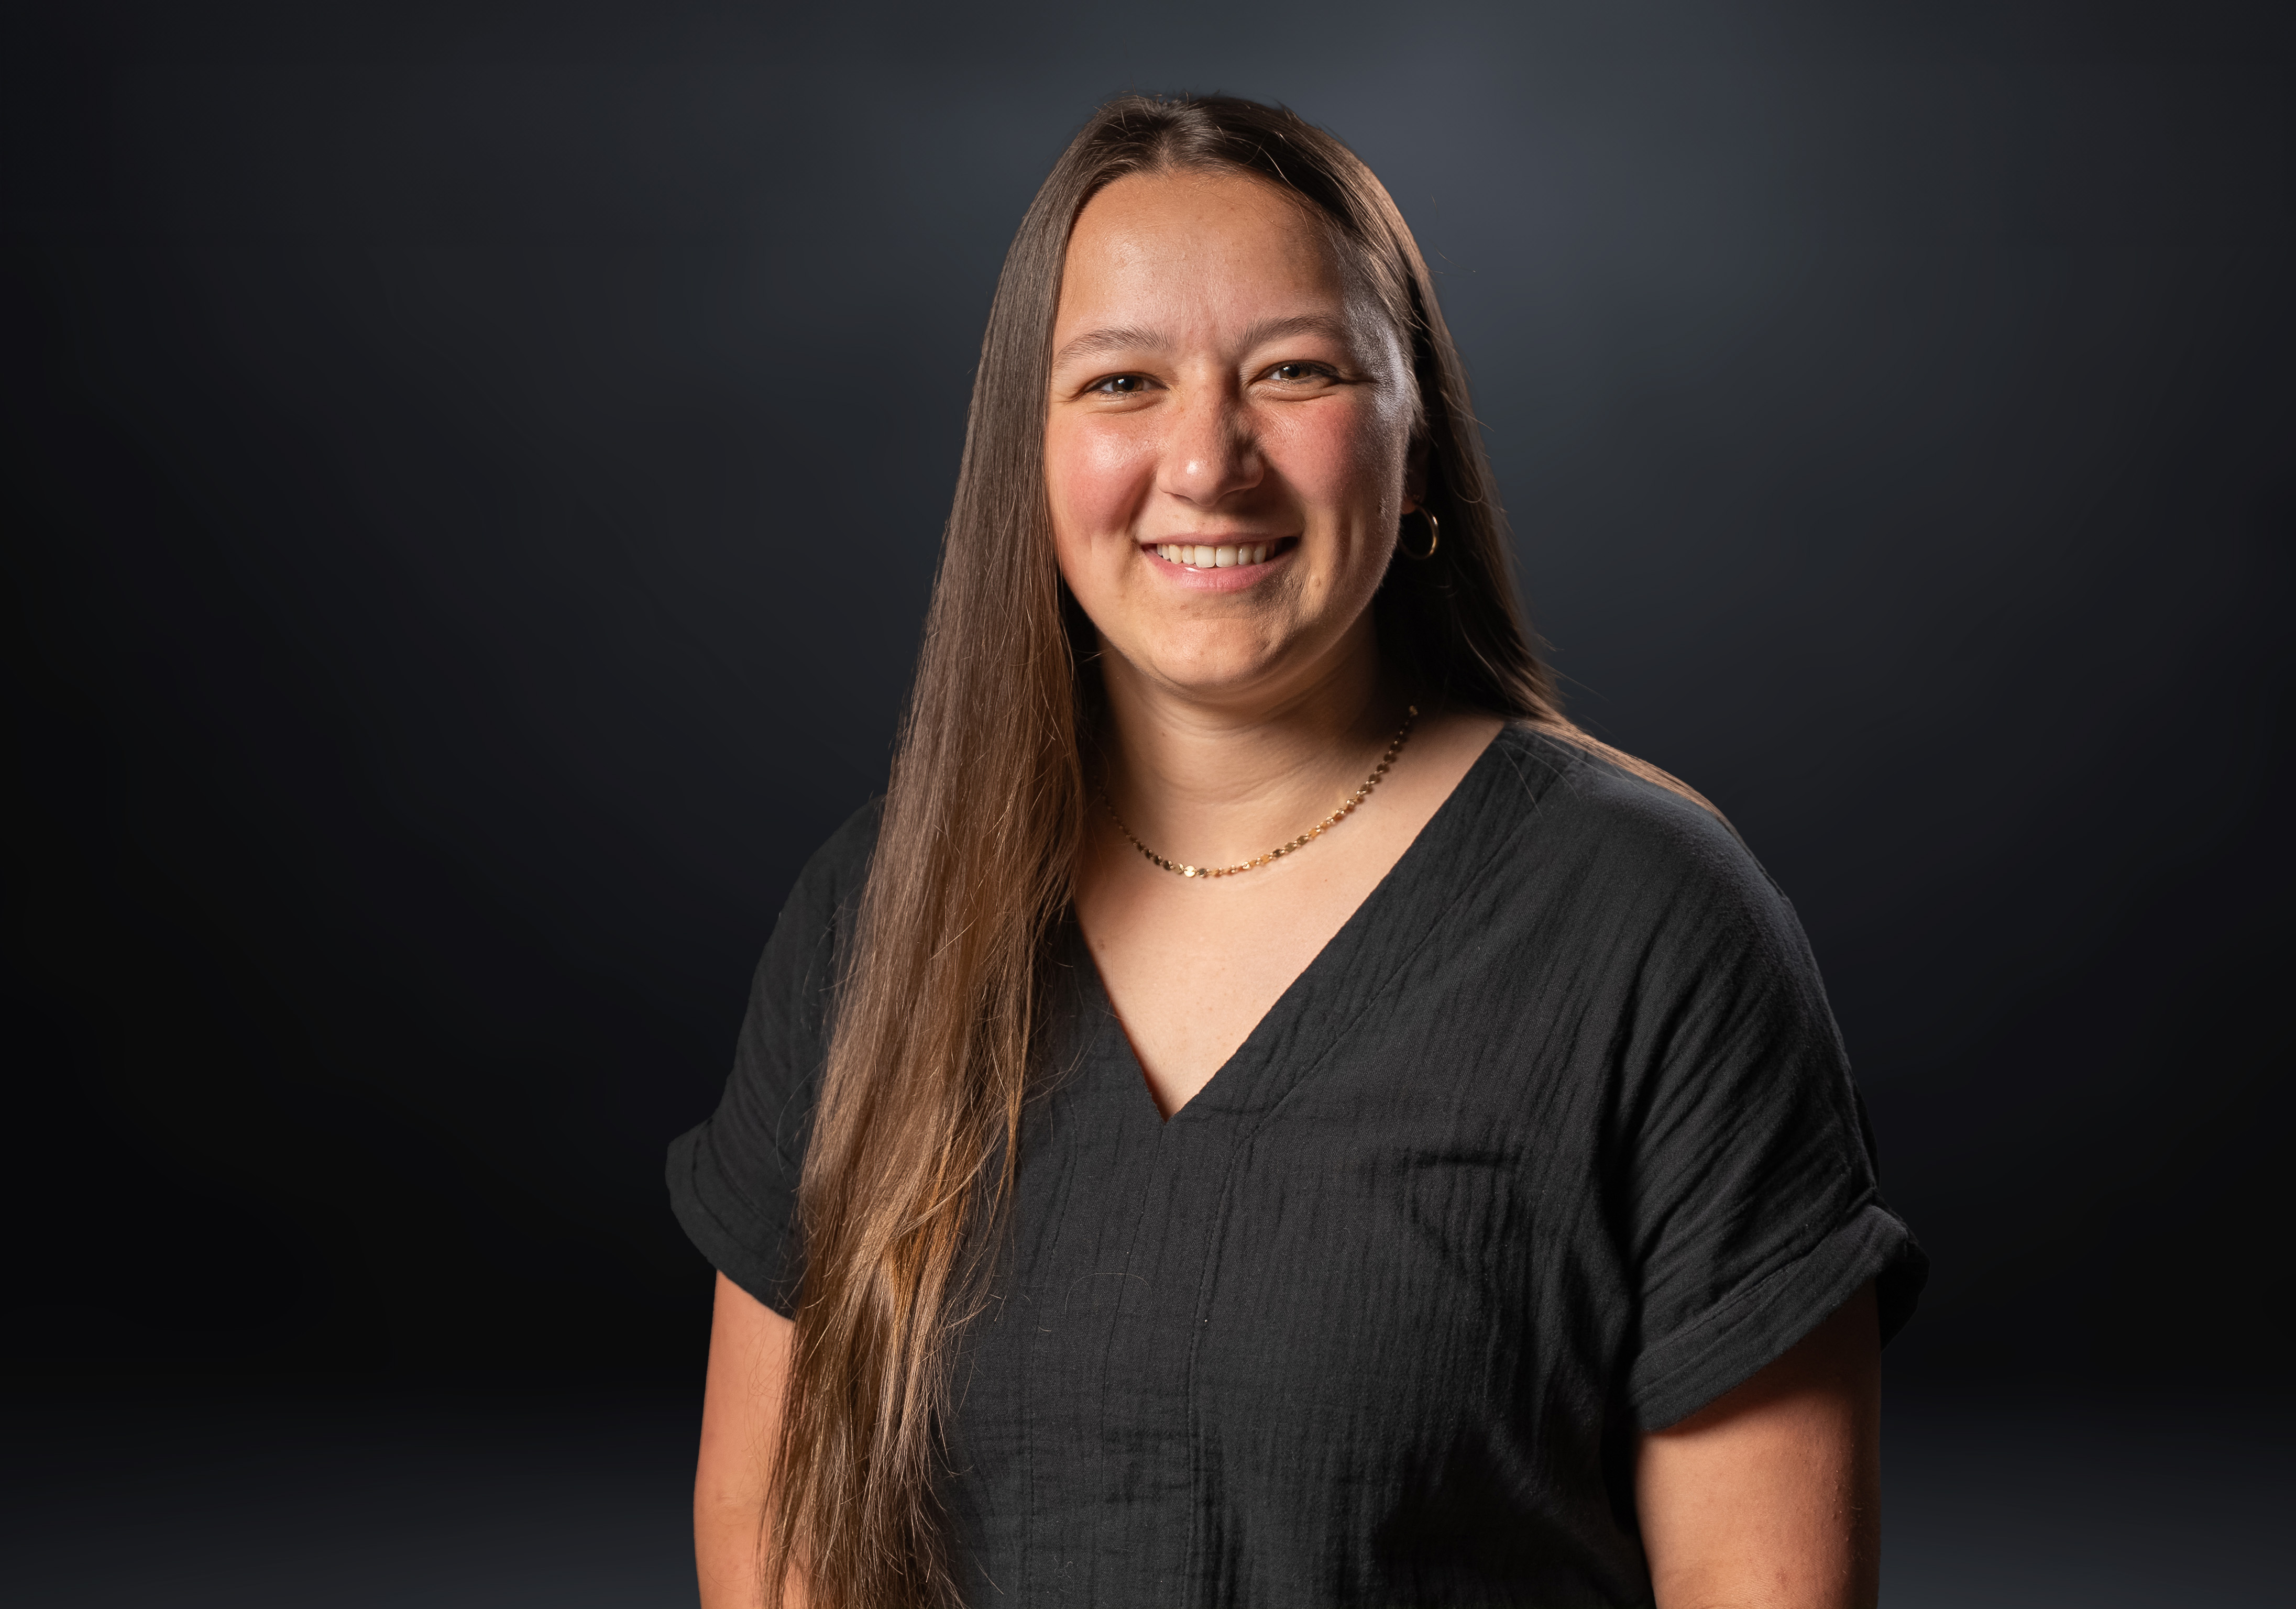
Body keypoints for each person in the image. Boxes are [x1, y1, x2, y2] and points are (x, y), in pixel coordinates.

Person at [667, 93, 1924, 1609]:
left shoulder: (1655, 931)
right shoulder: (875, 916)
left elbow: (1759, 1579)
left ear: (1417, 444)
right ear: (1027, 459)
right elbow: (777, 1539)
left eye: (1296, 371)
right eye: (1122, 381)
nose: (1209, 461)